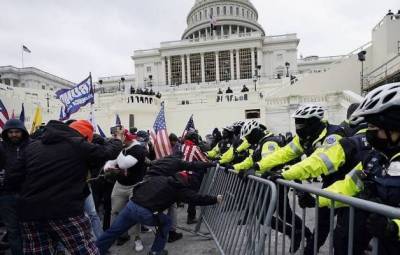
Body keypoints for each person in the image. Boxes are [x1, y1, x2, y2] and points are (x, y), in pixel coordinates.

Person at [16, 120, 123, 255]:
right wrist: (118, 138)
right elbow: (108, 152)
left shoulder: (32, 146)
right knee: (85, 250)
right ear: (84, 137)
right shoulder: (77, 144)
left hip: (29, 212)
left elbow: (15, 177)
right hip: (64, 210)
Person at [319, 83, 400, 255]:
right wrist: (315, 198)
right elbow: (348, 185)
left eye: (373, 127)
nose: (368, 132)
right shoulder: (375, 158)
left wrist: (394, 227)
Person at [254, 104, 345, 254]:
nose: (298, 127)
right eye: (297, 123)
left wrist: (285, 173)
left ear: (313, 122)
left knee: (345, 231)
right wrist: (259, 165)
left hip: (348, 182)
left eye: (301, 123)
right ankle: (310, 250)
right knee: (323, 223)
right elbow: (283, 153)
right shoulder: (305, 138)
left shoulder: (333, 136)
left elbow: (317, 163)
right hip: (331, 181)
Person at [96, 171, 222, 255]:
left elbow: (140, 186)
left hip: (131, 205)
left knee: (114, 230)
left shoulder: (160, 178)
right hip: (145, 211)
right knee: (167, 222)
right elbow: (196, 198)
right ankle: (156, 251)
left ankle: (96, 250)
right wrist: (214, 199)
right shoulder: (179, 188)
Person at [105, 129, 147, 252]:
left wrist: (118, 147)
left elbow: (123, 164)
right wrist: (108, 167)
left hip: (135, 186)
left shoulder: (138, 149)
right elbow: (111, 161)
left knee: (134, 213)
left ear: (127, 140)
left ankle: (137, 238)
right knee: (115, 211)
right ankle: (121, 236)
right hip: (120, 185)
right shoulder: (122, 147)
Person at [0, 119, 30, 255]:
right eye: (10, 132)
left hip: (28, 195)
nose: (13, 135)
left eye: (17, 132)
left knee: (29, 229)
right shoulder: (1, 148)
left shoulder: (32, 146)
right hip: (6, 195)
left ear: (22, 132)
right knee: (13, 230)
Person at [181, 130, 209, 224]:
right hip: (190, 175)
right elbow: (203, 160)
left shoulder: (183, 146)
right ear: (194, 138)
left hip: (180, 174)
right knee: (193, 196)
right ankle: (191, 217)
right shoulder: (194, 147)